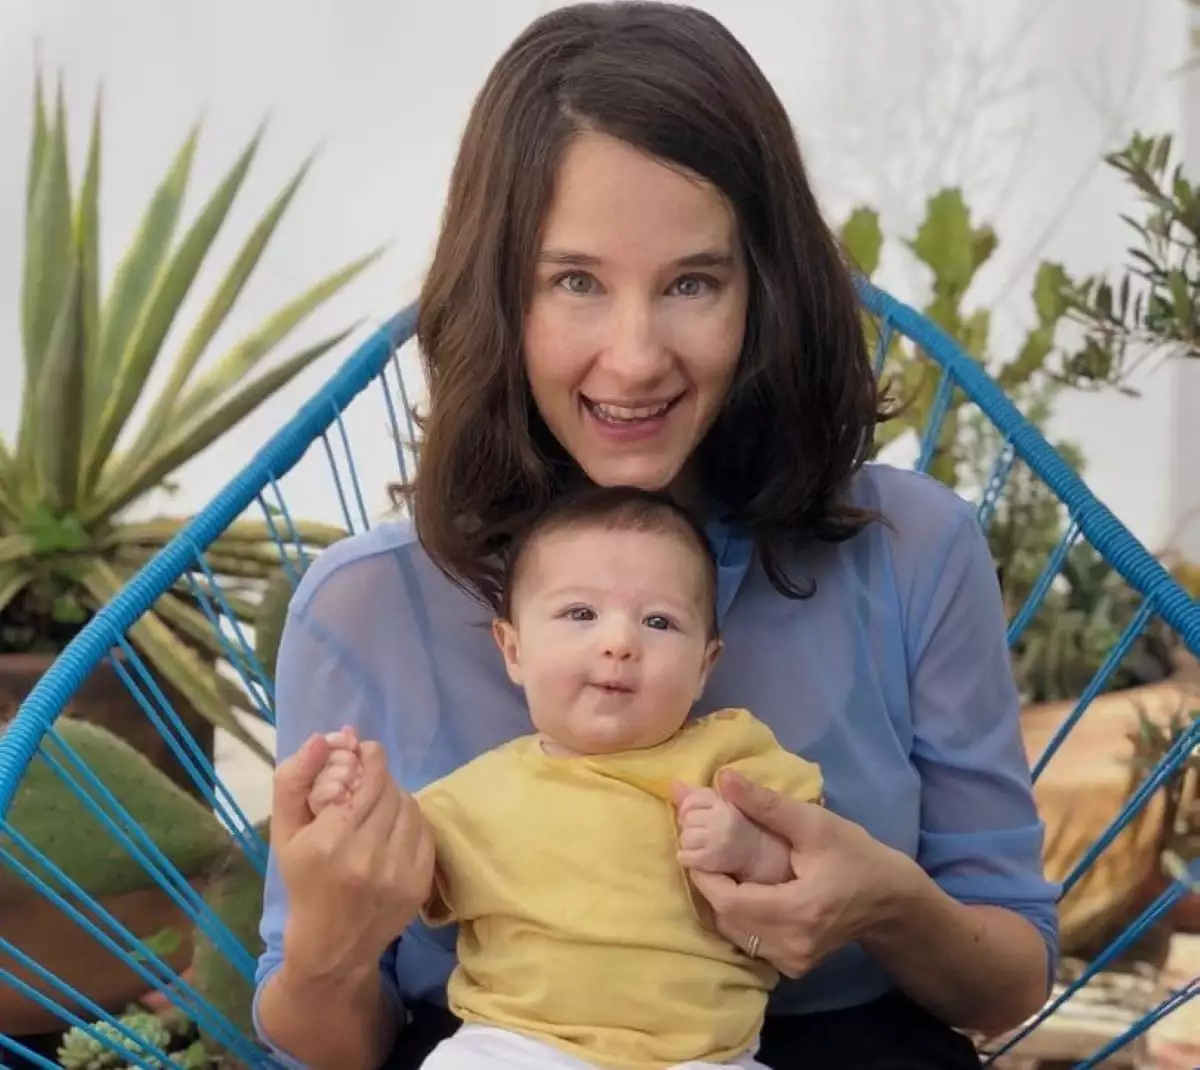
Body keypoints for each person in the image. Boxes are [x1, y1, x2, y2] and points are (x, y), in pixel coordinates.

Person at [252, 4, 1060, 1069]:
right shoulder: (367, 603)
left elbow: (1009, 977)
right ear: (499, 294)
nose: (634, 360)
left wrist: (888, 901)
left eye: (692, 282)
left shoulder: (912, 548)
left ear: (765, 292)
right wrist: (325, 952)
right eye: (574, 280)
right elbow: (331, 1043)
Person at [305, 485, 825, 1070]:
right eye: (581, 613)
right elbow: (396, 863)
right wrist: (354, 802)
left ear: (705, 665)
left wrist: (748, 848)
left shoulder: (729, 758)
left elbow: (807, 870)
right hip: (521, 1041)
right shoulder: (477, 794)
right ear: (514, 649)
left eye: (659, 621)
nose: (620, 643)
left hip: (703, 1052)